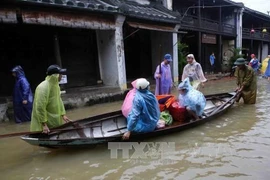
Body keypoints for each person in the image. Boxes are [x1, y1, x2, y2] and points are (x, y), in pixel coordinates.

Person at [30, 65, 70, 133]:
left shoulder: (55, 85)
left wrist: (63, 115)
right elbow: (40, 107)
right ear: (55, 75)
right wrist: (44, 125)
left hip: (54, 119)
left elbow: (59, 100)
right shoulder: (43, 87)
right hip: (45, 125)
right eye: (60, 74)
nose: (62, 76)